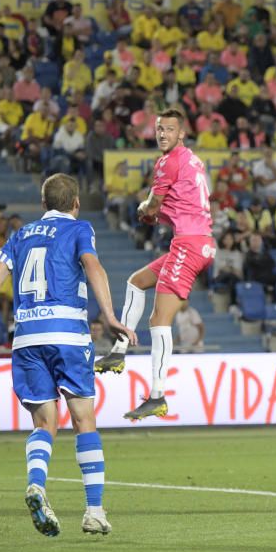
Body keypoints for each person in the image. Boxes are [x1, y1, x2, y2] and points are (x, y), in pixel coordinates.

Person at [0, 174, 134, 537]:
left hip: (28, 338)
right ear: (75, 203)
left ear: (43, 204)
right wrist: (109, 315)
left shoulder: (20, 235)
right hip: (68, 335)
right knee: (83, 421)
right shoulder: (80, 229)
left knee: (44, 424)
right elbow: (93, 266)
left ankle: (37, 485)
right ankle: (93, 511)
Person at [95, 108, 215, 421]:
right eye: (160, 129)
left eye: (170, 129)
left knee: (159, 321)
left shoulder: (168, 161)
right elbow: (177, 205)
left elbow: (152, 204)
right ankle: (119, 352)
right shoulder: (191, 159)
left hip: (189, 244)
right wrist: (155, 213)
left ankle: (157, 396)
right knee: (136, 282)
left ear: (181, 134)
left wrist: (144, 209)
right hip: (193, 241)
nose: (163, 134)